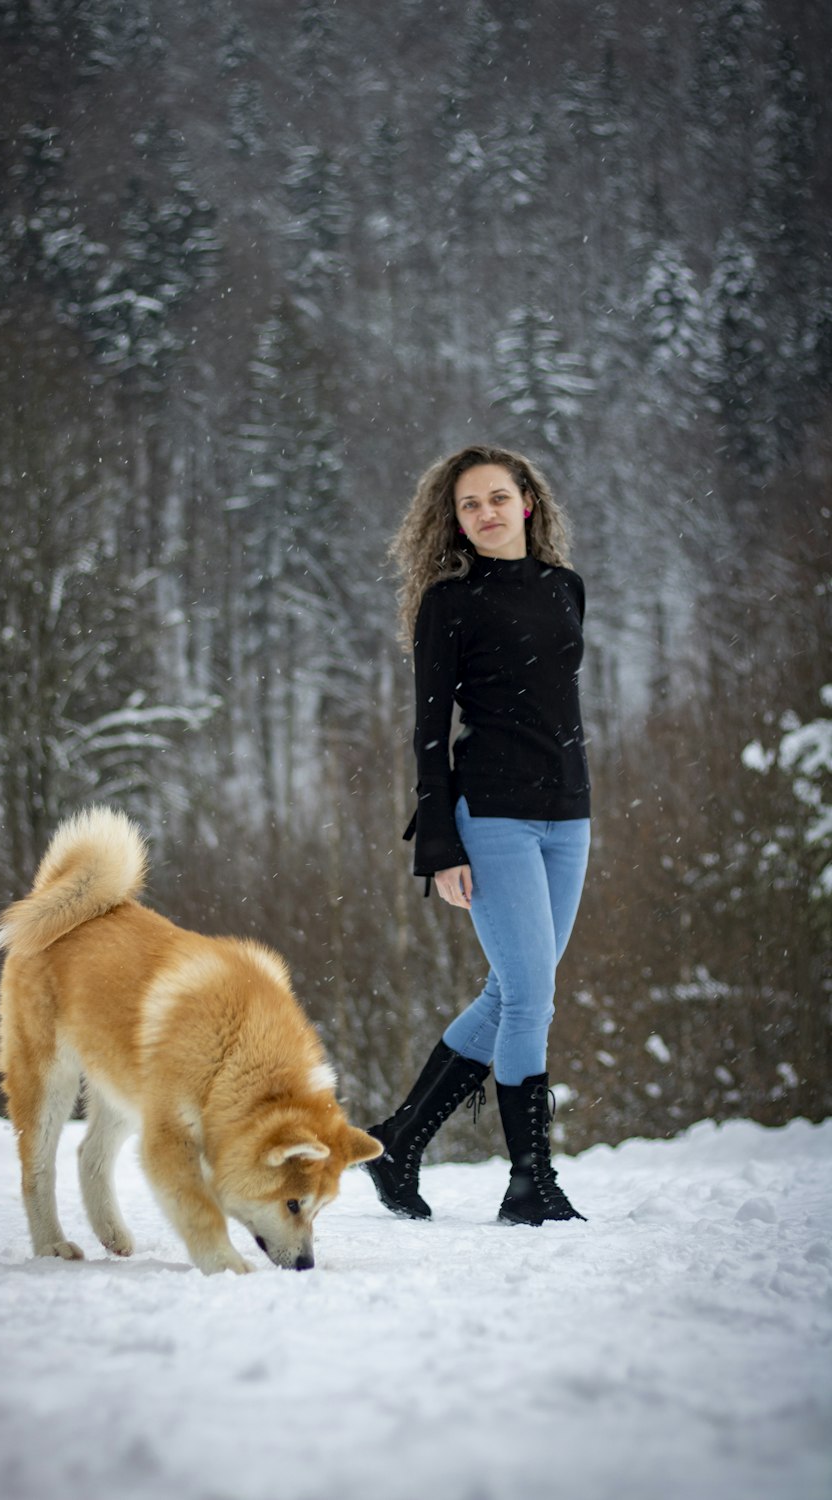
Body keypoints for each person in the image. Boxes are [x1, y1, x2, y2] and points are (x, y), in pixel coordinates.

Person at [364, 443, 590, 1226]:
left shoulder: (566, 589)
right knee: (531, 997)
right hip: (490, 817)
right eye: (470, 505)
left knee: (516, 990)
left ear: (527, 501)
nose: (487, 512)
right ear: (454, 520)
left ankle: (399, 1140)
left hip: (570, 816)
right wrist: (440, 843)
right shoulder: (449, 603)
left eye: (499, 497)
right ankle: (530, 1182)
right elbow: (429, 730)